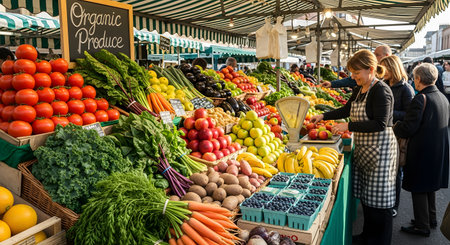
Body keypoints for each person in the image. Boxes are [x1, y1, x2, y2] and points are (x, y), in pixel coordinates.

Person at [311, 49, 397, 245]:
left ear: (371, 69)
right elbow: (347, 109)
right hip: (367, 150)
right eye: (352, 72)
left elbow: (380, 123)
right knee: (368, 199)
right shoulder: (360, 89)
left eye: (356, 72)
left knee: (380, 204)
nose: (353, 77)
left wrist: (348, 126)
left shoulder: (381, 90)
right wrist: (323, 116)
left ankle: (380, 240)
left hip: (381, 151)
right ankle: (367, 236)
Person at [393, 63, 449, 237]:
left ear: (418, 79)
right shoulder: (441, 96)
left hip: (422, 150)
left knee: (419, 187)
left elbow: (409, 128)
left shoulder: (421, 98)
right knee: (429, 186)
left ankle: (421, 225)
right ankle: (431, 218)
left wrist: (396, 127)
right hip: (438, 149)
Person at [380, 55, 415, 217]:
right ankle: (385, 200)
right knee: (386, 170)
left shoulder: (406, 88)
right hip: (385, 133)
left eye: (385, 68)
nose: (382, 71)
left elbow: (410, 114)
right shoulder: (384, 84)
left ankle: (394, 205)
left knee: (396, 172)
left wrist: (387, 112)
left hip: (398, 135)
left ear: (393, 68)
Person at [321, 45, 392, 88]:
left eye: (377, 54)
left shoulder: (382, 88)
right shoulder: (361, 87)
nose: (374, 57)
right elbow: (351, 80)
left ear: (386, 56)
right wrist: (332, 84)